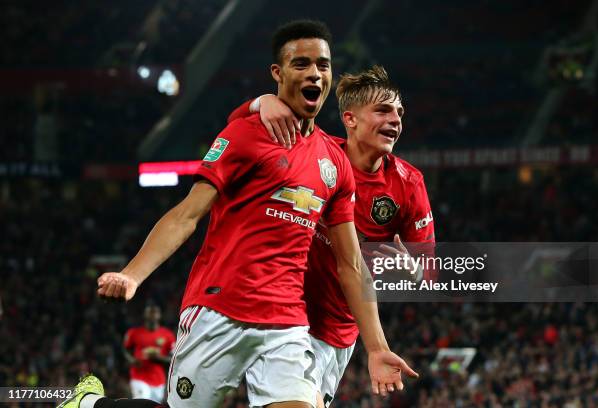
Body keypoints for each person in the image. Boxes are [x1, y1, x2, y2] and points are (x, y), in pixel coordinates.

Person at [59, 20, 413, 408]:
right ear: (278, 73)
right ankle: (90, 404)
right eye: (302, 64)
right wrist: (132, 274)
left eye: (323, 65)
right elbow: (186, 215)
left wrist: (377, 347)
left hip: (287, 322)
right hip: (219, 310)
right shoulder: (246, 134)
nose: (315, 73)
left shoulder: (335, 163)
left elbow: (352, 264)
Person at [228, 65, 434, 407]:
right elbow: (237, 128)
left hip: (334, 334)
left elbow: (427, 271)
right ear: (350, 119)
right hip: (272, 309)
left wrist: (410, 270)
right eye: (383, 110)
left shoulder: (408, 185)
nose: (395, 119)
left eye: (399, 112)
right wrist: (260, 102)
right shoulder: (314, 151)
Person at [123, 305, 175, 403]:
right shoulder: (134, 333)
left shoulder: (168, 335)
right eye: (150, 312)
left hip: (158, 380)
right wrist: (132, 360)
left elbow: (174, 359)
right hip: (139, 377)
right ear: (145, 315)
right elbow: (125, 350)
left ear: (159, 315)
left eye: (154, 312)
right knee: (141, 403)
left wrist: (159, 358)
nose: (152, 315)